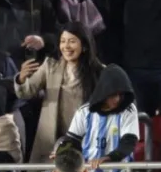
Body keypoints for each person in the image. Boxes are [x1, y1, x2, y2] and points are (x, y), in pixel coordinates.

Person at [15, 23, 104, 163]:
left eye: (72, 41)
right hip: (52, 143)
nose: (66, 46)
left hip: (86, 141)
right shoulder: (50, 66)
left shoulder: (99, 72)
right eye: (63, 41)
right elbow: (26, 92)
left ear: (85, 46)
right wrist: (21, 79)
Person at [61, 63, 139, 172]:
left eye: (120, 95)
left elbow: (128, 143)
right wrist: (62, 152)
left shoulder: (129, 110)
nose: (117, 99)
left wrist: (108, 158)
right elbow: (71, 141)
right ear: (104, 92)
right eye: (113, 95)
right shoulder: (84, 112)